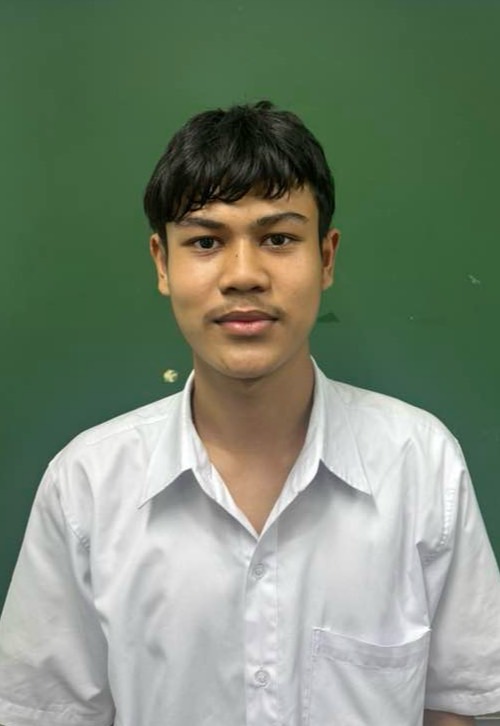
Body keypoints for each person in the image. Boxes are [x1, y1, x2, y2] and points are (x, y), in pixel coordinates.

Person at [0, 101, 499, 726]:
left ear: (326, 258)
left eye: (279, 239)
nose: (243, 275)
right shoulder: (87, 487)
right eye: (206, 242)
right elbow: (45, 712)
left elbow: (456, 704)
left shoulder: (420, 464)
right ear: (162, 263)